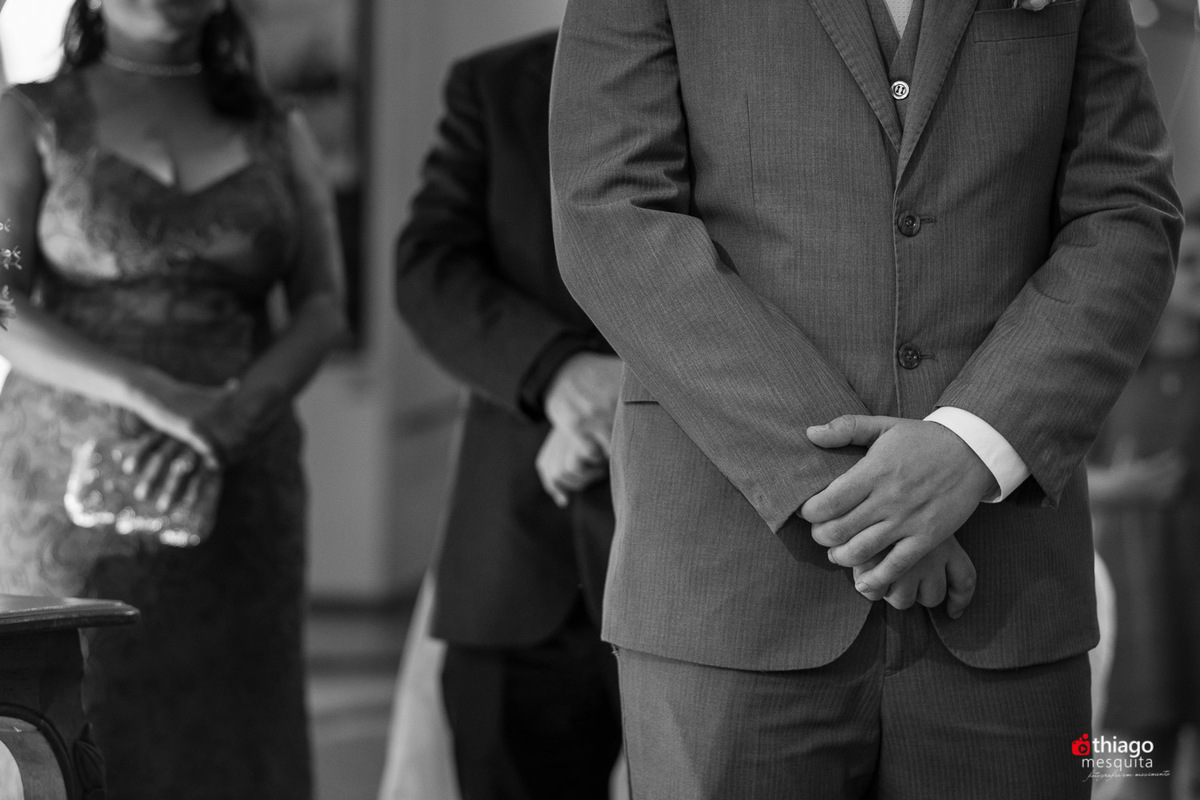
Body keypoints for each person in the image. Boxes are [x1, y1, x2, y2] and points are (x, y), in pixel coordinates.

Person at [549, 0, 1181, 798]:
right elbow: (609, 214)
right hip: (732, 586)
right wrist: (868, 499)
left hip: (1006, 589)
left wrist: (972, 449)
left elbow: (1126, 215)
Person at [0, 0, 347, 796]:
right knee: (83, 706)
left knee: (237, 712)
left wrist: (232, 416)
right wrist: (159, 394)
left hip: (240, 466)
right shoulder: (30, 115)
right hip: (70, 481)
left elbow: (325, 306)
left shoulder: (275, 127)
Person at [391, 30, 623, 800]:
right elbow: (430, 268)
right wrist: (556, 373)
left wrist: (631, 394)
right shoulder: (496, 83)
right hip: (520, 549)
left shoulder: (775, 73)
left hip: (720, 557)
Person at [1087, 201, 1200, 800]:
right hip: (1141, 607)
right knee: (1141, 762)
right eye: (1193, 262)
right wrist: (1118, 488)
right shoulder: (1115, 374)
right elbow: (1044, 475)